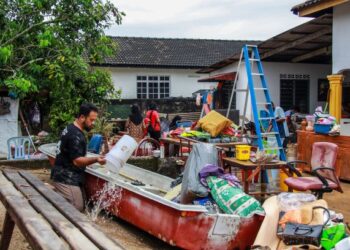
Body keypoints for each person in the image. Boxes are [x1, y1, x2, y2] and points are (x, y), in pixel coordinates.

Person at [51, 103, 106, 211]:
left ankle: (56, 191)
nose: (93, 123)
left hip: (65, 172)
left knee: (84, 204)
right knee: (77, 207)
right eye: (91, 120)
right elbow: (77, 161)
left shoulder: (71, 128)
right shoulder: (75, 135)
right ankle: (49, 193)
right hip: (65, 176)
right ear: (82, 117)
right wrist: (96, 159)